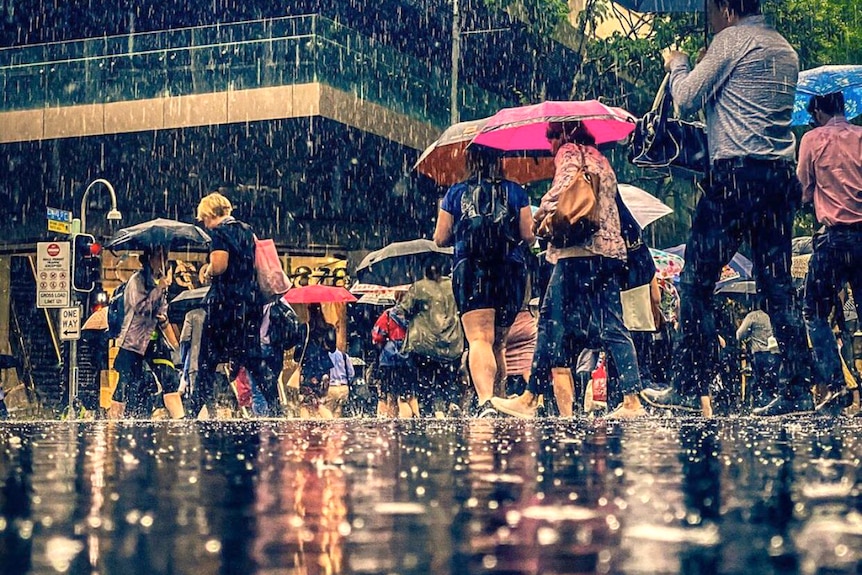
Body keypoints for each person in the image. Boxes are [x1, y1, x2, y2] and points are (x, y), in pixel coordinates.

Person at [644, 0, 812, 416]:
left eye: (711, 10)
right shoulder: (783, 49)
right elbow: (741, 100)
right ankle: (799, 388)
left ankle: (689, 384)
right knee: (777, 288)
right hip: (777, 178)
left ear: (726, 8)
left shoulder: (731, 40)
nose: (709, 17)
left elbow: (684, 99)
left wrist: (679, 64)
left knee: (696, 285)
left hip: (735, 178)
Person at [492, 121, 645, 419]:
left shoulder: (569, 152)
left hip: (578, 251)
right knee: (613, 325)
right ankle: (632, 400)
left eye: (550, 138)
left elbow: (563, 191)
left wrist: (541, 214)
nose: (549, 146)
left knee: (549, 319)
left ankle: (529, 397)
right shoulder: (601, 159)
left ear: (562, 134)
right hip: (608, 252)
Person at [433, 146, 534, 417]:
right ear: (499, 162)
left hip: (471, 267)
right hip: (510, 269)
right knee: (499, 343)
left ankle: (486, 401)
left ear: (470, 162)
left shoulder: (455, 192)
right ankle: (501, 400)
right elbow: (528, 235)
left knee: (479, 338)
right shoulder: (516, 191)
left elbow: (440, 238)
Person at [797, 91, 862, 415]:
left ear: (819, 108)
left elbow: (804, 191)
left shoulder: (813, 139)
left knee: (814, 312)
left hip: (834, 238)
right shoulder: (861, 137)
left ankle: (836, 387)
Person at [193, 191, 279, 417]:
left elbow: (220, 265)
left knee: (207, 360)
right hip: (249, 305)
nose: (203, 223)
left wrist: (207, 271)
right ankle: (278, 406)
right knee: (253, 359)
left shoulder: (220, 233)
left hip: (225, 305)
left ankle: (192, 411)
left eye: (203, 218)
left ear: (211, 214)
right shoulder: (246, 230)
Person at [110, 246, 182, 419]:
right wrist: (159, 288)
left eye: (165, 257)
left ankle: (180, 420)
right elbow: (140, 307)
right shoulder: (137, 280)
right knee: (125, 383)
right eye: (160, 257)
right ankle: (113, 420)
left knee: (169, 379)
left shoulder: (161, 283)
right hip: (132, 341)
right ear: (150, 259)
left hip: (154, 341)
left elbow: (162, 311)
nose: (163, 262)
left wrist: (164, 320)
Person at [398, 264, 465, 417]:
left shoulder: (419, 287)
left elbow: (404, 311)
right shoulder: (453, 286)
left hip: (424, 342)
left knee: (425, 379)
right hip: (452, 342)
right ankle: (451, 403)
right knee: (448, 377)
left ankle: (432, 410)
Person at [736, 303, 780, 410]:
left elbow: (739, 334)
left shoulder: (753, 315)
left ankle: (759, 405)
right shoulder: (775, 314)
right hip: (774, 352)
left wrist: (748, 336)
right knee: (773, 380)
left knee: (758, 380)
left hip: (759, 353)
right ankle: (772, 403)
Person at [370, 304, 412, 417]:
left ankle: (388, 426)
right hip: (407, 359)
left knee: (387, 396)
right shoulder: (413, 315)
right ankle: (408, 428)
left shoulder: (388, 314)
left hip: (388, 360)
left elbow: (377, 336)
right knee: (404, 397)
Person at [323, 328, 354, 418]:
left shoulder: (325, 357)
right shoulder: (344, 356)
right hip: (344, 388)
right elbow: (351, 373)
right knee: (339, 415)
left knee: (328, 415)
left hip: (331, 389)